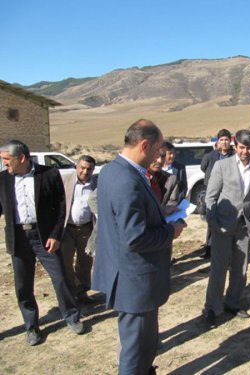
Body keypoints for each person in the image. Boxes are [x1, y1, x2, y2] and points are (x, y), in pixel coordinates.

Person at [92, 119, 186, 375]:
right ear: (144, 145)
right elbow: (134, 238)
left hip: (129, 276)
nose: (161, 157)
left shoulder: (112, 171)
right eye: (158, 151)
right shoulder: (127, 180)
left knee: (144, 347)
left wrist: (159, 212)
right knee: (135, 352)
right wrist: (171, 231)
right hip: (135, 281)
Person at [0, 140, 85, 346]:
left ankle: (71, 317)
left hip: (45, 237)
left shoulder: (48, 174)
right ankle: (32, 327)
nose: (4, 165)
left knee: (61, 278)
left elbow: (61, 207)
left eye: (6, 160)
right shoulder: (2, 179)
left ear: (21, 158)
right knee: (23, 285)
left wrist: (56, 235)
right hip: (19, 238)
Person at [203, 129, 250, 327]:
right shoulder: (221, 166)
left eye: (249, 148)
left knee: (241, 268)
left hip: (244, 227)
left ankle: (233, 302)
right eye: (242, 147)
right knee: (218, 269)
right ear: (235, 146)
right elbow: (210, 197)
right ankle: (212, 308)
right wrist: (213, 223)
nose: (245, 151)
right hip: (222, 226)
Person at [61, 155, 98, 304]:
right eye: (82, 168)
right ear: (76, 166)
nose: (85, 171)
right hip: (67, 229)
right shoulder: (65, 182)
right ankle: (69, 294)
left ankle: (82, 292)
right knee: (66, 262)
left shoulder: (96, 184)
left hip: (87, 229)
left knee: (85, 262)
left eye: (89, 169)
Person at [199, 129, 234, 258]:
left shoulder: (234, 156)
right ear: (218, 141)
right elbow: (204, 168)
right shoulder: (210, 156)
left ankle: (228, 250)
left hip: (228, 193)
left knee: (228, 220)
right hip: (213, 193)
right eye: (222, 140)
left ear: (230, 141)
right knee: (211, 221)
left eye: (226, 140)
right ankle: (209, 249)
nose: (224, 142)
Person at [148, 148, 180, 216]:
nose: (159, 160)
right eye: (156, 156)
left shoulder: (171, 179)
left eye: (162, 156)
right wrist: (162, 211)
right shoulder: (138, 178)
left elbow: (172, 202)